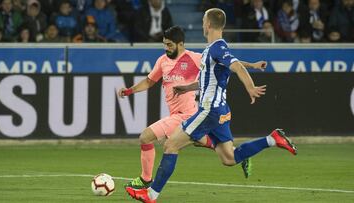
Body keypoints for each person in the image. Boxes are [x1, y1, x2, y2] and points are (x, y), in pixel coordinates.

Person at [125, 8, 297, 203]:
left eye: (203, 20)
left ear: (208, 24)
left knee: (171, 145)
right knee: (229, 158)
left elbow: (236, 67)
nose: (202, 23)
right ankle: (272, 139)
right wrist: (186, 87)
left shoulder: (217, 48)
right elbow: (209, 80)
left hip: (209, 111)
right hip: (221, 111)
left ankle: (150, 194)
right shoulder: (212, 50)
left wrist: (250, 87)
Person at [118, 25, 267, 190]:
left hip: (187, 114)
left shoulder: (194, 58)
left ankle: (146, 180)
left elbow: (227, 63)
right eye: (164, 44)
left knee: (145, 137)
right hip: (179, 114)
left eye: (169, 45)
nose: (166, 48)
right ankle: (239, 155)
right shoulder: (162, 61)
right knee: (202, 142)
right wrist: (130, 91)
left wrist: (252, 66)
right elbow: (149, 81)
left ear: (180, 44)